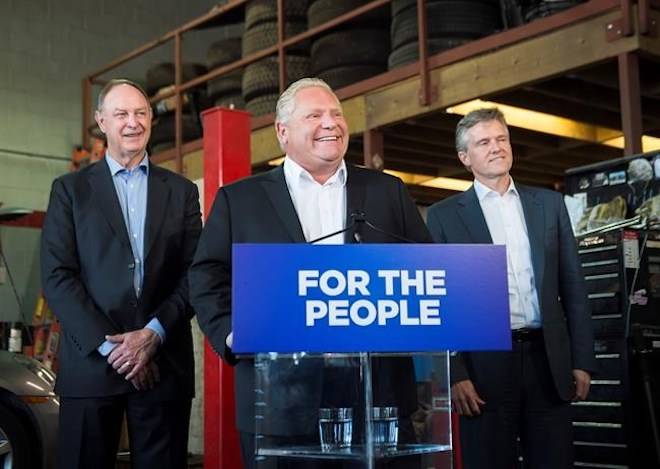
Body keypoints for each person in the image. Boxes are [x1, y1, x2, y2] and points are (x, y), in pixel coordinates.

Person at [189, 77, 431, 468]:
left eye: (336, 114)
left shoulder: (388, 191)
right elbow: (205, 276)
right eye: (315, 115)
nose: (330, 123)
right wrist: (231, 333)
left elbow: (427, 267)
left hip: (376, 399)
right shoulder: (241, 200)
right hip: (280, 399)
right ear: (283, 132)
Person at [41, 79, 202, 469]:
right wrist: (116, 349)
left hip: (163, 367)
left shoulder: (180, 192)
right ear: (101, 122)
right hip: (91, 366)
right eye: (121, 114)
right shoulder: (70, 191)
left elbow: (196, 273)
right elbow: (58, 276)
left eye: (140, 113)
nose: (133, 122)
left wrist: (152, 335)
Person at [426, 108, 597, 468]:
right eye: (484, 142)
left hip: (547, 361)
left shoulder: (549, 205)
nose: (496, 147)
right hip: (485, 367)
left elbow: (574, 285)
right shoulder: (444, 215)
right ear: (464, 157)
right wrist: (454, 374)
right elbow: (438, 300)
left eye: (501, 139)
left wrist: (582, 360)